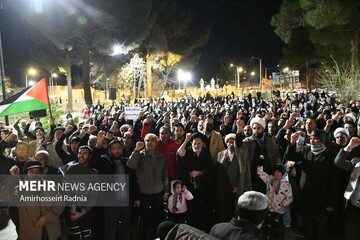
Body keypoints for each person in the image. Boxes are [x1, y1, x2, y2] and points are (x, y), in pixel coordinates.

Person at [0, 160, 64, 240]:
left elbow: (59, 206)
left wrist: (46, 217)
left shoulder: (50, 186)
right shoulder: (20, 189)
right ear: (26, 174)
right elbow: (5, 197)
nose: (35, 174)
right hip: (30, 234)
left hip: (51, 233)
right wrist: (13, 178)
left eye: (38, 172)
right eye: (31, 171)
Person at [127, 133, 169, 240]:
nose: (149, 143)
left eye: (152, 140)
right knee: (143, 219)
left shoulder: (161, 157)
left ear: (156, 142)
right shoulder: (140, 155)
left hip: (158, 193)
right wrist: (136, 150)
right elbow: (130, 165)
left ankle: (157, 237)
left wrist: (166, 190)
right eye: (147, 140)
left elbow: (165, 175)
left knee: (157, 218)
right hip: (143, 193)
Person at [176, 132, 214, 231]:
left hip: (204, 187)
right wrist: (186, 140)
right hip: (190, 187)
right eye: (194, 143)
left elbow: (210, 169)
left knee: (203, 209)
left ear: (202, 144)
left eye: (199, 143)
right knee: (192, 209)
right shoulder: (187, 152)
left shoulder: (206, 153)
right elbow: (179, 153)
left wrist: (199, 173)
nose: (196, 145)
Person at [257, 164, 293, 240]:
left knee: (278, 228)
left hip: (279, 210)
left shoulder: (286, 184)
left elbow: (289, 198)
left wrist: (282, 205)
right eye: (275, 172)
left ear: (282, 173)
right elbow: (260, 173)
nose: (276, 173)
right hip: (269, 208)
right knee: (269, 227)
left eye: (279, 172)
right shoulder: (270, 179)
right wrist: (260, 162)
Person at [334, 136, 360, 240]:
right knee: (350, 234)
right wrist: (349, 147)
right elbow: (338, 162)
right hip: (352, 208)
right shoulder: (357, 162)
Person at [214, 133, 240, 223]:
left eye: (233, 142)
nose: (231, 144)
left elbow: (242, 172)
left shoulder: (239, 155)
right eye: (229, 142)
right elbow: (218, 171)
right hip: (223, 187)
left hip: (234, 186)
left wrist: (237, 185)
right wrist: (223, 159)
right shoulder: (220, 154)